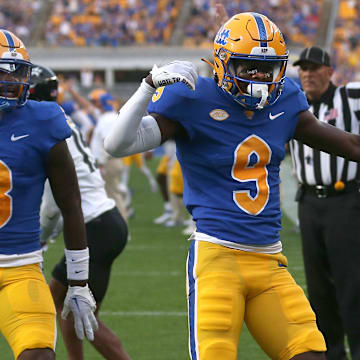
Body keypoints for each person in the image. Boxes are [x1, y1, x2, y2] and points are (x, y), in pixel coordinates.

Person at [104, 12, 360, 360]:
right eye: (248, 67)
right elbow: (117, 144)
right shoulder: (194, 97)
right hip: (217, 258)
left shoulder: (285, 100)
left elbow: (350, 145)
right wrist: (148, 85)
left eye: (265, 69)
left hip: (270, 261)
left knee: (311, 354)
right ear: (223, 64)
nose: (258, 78)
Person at [0, 30, 98, 360]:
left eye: (17, 71)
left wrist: (79, 281)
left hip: (19, 267)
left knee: (39, 354)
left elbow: (71, 204)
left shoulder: (43, 120)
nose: (11, 80)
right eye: (3, 71)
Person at [29, 64, 131, 360]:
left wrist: (40, 239)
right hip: (104, 222)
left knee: (81, 314)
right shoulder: (62, 120)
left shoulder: (42, 128)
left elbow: (53, 204)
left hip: (95, 227)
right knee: (60, 299)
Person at [289, 47, 360, 360]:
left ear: (330, 71)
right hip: (308, 203)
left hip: (346, 201)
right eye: (303, 68)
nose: (308, 74)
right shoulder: (291, 102)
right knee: (318, 289)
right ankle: (332, 354)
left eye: (315, 68)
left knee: (352, 284)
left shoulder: (351, 98)